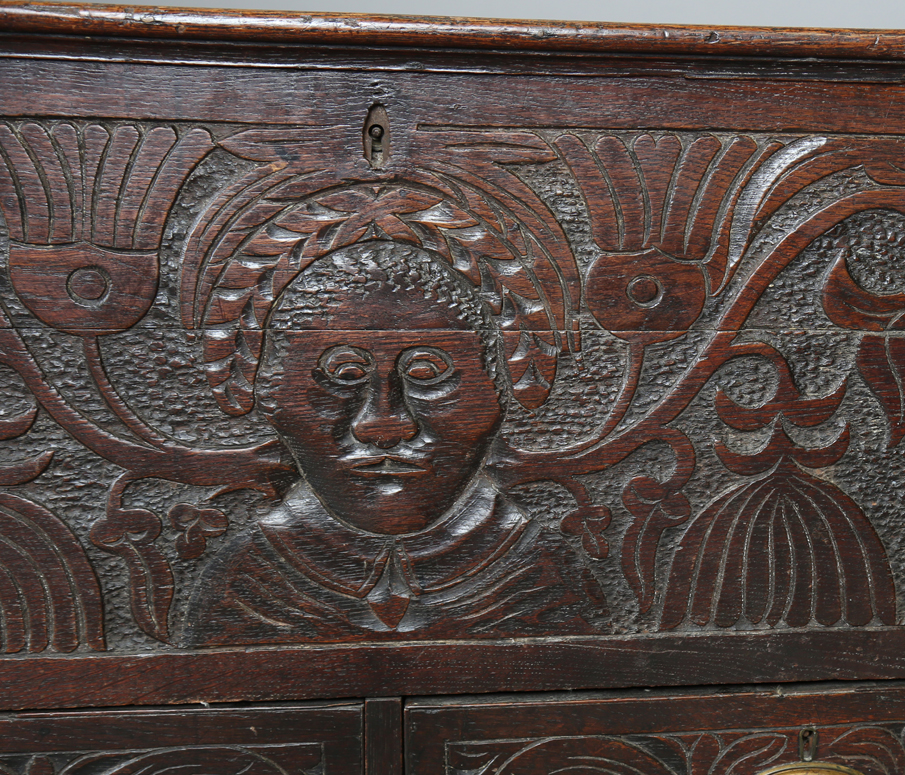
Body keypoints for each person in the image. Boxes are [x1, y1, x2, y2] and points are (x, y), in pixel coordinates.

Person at [179, 241, 607, 645]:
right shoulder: (245, 580)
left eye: (427, 373)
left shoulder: (546, 572)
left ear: (497, 392)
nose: (385, 423)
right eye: (344, 375)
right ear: (272, 398)